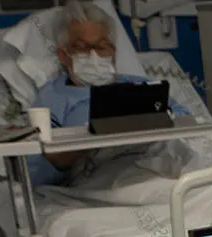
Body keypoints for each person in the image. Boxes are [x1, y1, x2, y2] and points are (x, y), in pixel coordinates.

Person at [27, 1, 193, 186]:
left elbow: (185, 120)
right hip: (101, 178)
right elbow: (33, 172)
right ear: (63, 55)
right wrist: (72, 152)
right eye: (82, 47)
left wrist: (159, 120)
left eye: (101, 47)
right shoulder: (53, 96)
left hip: (156, 166)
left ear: (113, 52)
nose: (94, 56)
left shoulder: (142, 86)